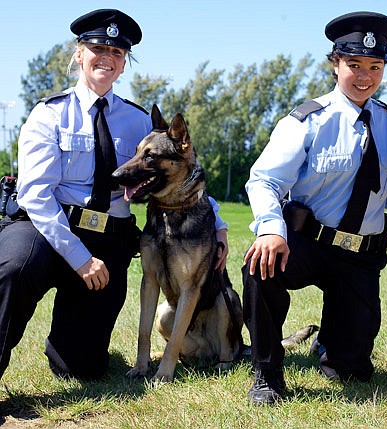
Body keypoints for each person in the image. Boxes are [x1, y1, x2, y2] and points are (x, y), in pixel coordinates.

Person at [0, 9, 228, 381]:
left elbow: (183, 172)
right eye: (97, 48)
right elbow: (36, 196)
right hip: (45, 230)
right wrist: (79, 258)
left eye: (117, 52)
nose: (106, 57)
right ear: (79, 54)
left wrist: (217, 225)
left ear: (124, 65)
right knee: (12, 268)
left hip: (107, 241)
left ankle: (67, 346)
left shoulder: (139, 122)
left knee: (80, 369)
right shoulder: (49, 114)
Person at [242, 11, 387, 405]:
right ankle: (267, 373)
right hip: (308, 243)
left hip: (359, 257)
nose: (365, 76)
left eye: (375, 67)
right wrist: (271, 229)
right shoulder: (308, 120)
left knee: (351, 371)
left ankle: (329, 345)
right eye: (354, 65)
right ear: (335, 64)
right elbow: (265, 180)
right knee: (258, 265)